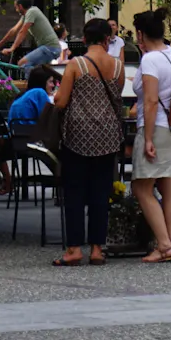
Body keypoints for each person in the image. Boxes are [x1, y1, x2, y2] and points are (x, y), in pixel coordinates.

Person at [50, 18, 125, 267]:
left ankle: (73, 249)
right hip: (107, 136)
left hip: (77, 137)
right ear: (107, 40)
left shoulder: (76, 64)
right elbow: (116, 98)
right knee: (100, 193)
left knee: (74, 192)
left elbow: (60, 101)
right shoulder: (117, 66)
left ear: (84, 39)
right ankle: (96, 249)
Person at [131, 9, 171, 262]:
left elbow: (151, 100)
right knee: (170, 186)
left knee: (142, 186)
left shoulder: (150, 60)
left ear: (140, 34)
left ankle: (164, 245)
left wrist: (149, 137)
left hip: (158, 126)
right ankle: (168, 245)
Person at [0, 0, 62, 75]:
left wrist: (12, 48)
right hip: (48, 48)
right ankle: (41, 84)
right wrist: (0, 44)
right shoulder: (26, 15)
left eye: (16, 7)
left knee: (22, 63)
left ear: (20, 6)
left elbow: (22, 31)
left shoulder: (32, 12)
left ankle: (33, 85)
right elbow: (14, 30)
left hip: (50, 48)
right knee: (36, 70)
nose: (16, 10)